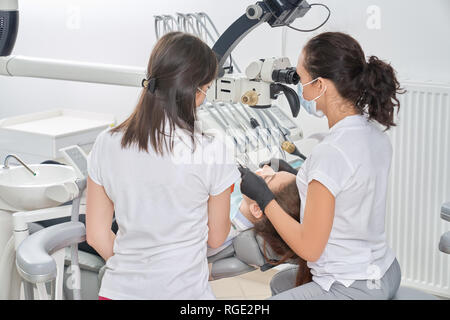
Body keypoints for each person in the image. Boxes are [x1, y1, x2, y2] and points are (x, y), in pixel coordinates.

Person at [238, 31, 405, 300]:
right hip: (386, 271)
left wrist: (264, 197)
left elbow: (310, 248)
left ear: (320, 85)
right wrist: (300, 176)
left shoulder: (331, 152)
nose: (302, 89)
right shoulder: (374, 133)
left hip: (352, 287)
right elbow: (348, 193)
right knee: (282, 284)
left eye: (302, 79)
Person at [85, 32, 240, 300]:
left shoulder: (105, 143)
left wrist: (137, 271)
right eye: (206, 88)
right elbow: (216, 238)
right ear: (196, 90)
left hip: (117, 291)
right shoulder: (212, 150)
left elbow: (97, 236)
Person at [207, 164, 312, 287]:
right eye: (273, 171)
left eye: (266, 179)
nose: (266, 167)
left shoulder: (225, 228)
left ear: (257, 209)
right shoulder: (237, 207)